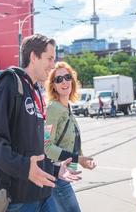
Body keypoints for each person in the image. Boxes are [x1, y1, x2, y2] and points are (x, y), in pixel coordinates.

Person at [0, 34, 80, 212]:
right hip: (18, 199)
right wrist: (25, 168)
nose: (52, 65)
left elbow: (37, 147)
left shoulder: (36, 92)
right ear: (33, 57)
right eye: (49, 59)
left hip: (43, 193)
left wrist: (55, 170)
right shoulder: (10, 83)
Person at [45, 61, 96, 212]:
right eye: (58, 79)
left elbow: (71, 138)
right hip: (56, 175)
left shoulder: (66, 107)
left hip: (64, 174)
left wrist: (81, 158)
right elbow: (46, 146)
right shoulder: (53, 108)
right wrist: (77, 159)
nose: (64, 81)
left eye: (67, 77)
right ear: (53, 85)